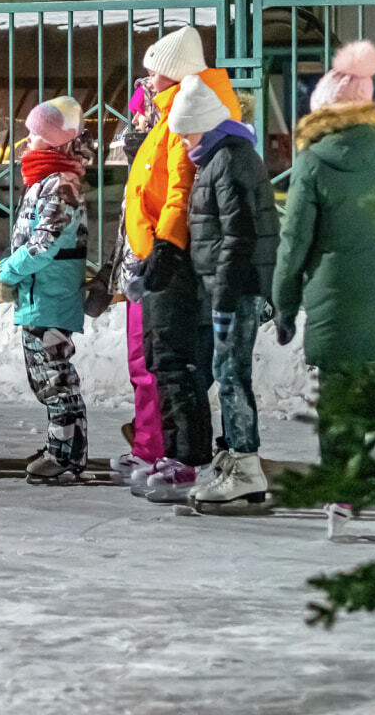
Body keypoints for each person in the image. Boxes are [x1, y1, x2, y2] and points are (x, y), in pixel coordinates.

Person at [271, 40, 375, 531]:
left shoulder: (314, 163)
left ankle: (342, 494)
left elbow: (294, 243)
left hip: (337, 296)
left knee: (339, 400)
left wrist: (284, 301)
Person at [124, 26, 243, 502]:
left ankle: (186, 459)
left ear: (172, 76)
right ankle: (178, 454)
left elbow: (181, 191)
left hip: (175, 258)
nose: (146, 81)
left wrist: (167, 248)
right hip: (160, 251)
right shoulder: (172, 111)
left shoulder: (187, 114)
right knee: (166, 359)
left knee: (177, 362)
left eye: (152, 73)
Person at [166, 75, 280, 512]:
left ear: (203, 124)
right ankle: (235, 459)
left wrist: (225, 297)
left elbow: (239, 234)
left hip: (235, 288)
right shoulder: (221, 157)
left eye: (186, 132)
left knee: (231, 376)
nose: (182, 141)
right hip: (228, 285)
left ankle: (246, 469)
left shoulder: (229, 161)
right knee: (226, 373)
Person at [0, 96, 95, 484]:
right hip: (40, 296)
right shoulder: (46, 180)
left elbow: (43, 244)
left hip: (50, 297)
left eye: (34, 135)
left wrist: (7, 272)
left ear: (53, 142)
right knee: (47, 376)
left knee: (55, 379)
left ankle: (66, 455)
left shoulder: (60, 185)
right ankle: (62, 446)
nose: (26, 141)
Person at [108, 78, 165, 488]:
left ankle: (160, 448)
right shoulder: (140, 154)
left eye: (144, 112)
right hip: (136, 270)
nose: (136, 120)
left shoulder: (169, 145)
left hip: (158, 270)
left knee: (156, 366)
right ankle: (149, 445)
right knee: (140, 364)